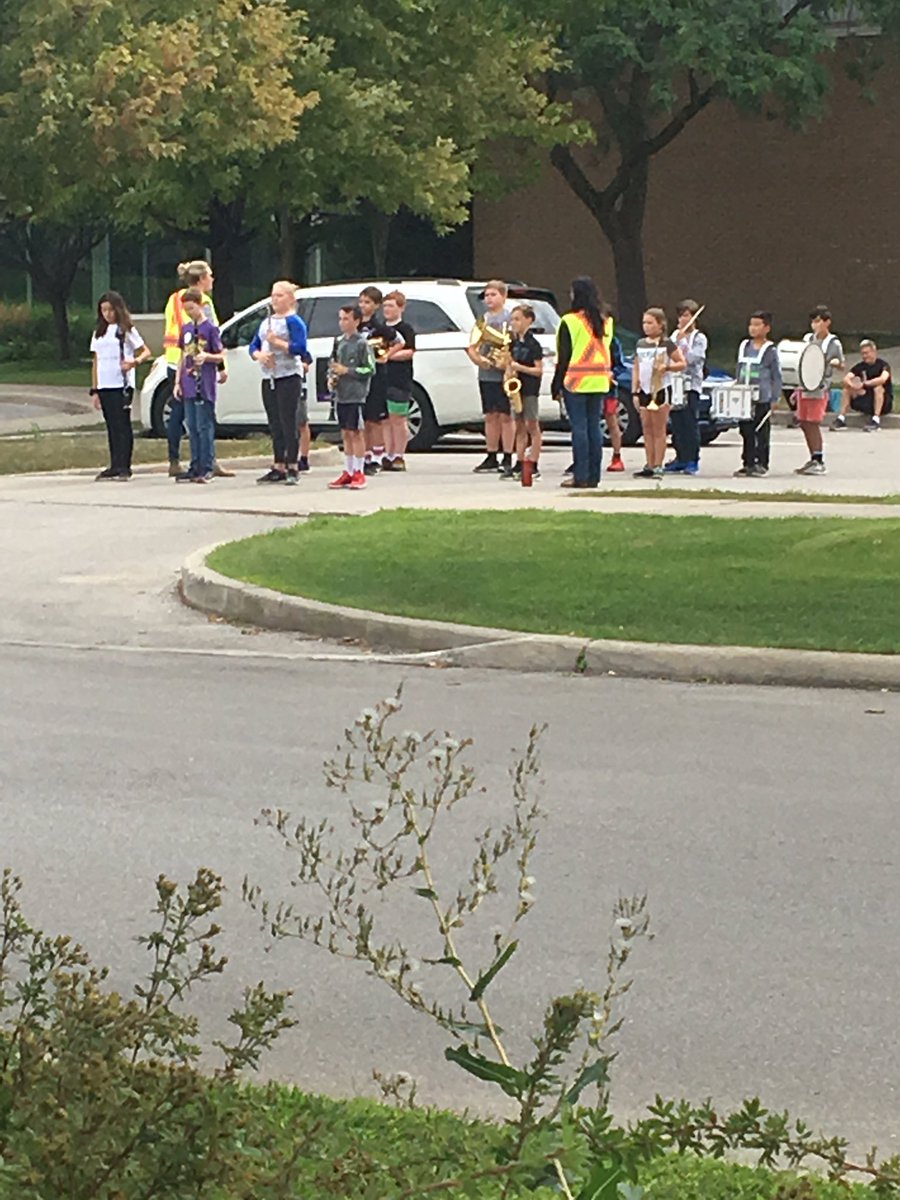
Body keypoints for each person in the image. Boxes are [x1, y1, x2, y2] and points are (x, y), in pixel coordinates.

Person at [162, 260, 232, 478]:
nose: (212, 279)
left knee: (181, 416)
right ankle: (204, 462)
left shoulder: (174, 298)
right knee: (198, 420)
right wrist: (222, 366)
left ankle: (181, 460)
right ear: (201, 279)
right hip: (190, 365)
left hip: (177, 362)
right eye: (210, 275)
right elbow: (212, 337)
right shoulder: (204, 302)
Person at [551, 276, 612, 489]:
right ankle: (594, 476)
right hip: (600, 380)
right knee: (594, 427)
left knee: (579, 429)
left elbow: (564, 356)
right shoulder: (606, 320)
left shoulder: (569, 321)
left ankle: (580, 475)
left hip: (576, 381)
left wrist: (556, 384)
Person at [249, 280, 310, 485]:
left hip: (288, 376)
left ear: (290, 299)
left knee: (288, 421)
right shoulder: (266, 322)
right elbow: (254, 345)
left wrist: (278, 343)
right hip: (269, 377)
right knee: (274, 422)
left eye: (280, 296)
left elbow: (300, 348)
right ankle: (278, 464)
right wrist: (259, 355)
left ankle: (293, 464)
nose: (275, 299)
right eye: (273, 295)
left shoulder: (293, 321)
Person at [89, 291, 151, 481]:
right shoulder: (99, 333)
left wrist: (135, 362)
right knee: (111, 426)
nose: (107, 314)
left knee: (122, 424)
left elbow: (145, 351)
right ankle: (114, 464)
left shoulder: (125, 330)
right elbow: (96, 360)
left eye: (110, 310)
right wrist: (95, 389)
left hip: (121, 384)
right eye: (103, 310)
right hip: (105, 384)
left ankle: (125, 465)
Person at [173, 289, 225, 484]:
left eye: (192, 308)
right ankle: (194, 466)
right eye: (186, 309)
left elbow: (220, 354)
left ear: (200, 305)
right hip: (188, 382)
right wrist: (177, 382)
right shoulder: (186, 329)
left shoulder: (210, 329)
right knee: (192, 426)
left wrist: (208, 358)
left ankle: (207, 466)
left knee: (205, 425)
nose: (189, 313)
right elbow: (181, 356)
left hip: (205, 382)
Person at [632, 308, 686, 479]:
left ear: (660, 324)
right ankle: (648, 463)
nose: (646, 327)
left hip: (661, 388)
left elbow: (682, 363)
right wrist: (635, 390)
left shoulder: (667, 344)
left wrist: (667, 367)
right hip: (644, 389)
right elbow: (637, 367)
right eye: (644, 323)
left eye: (650, 323)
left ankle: (658, 464)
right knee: (646, 428)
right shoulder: (641, 344)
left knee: (658, 429)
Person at [468, 279, 515, 475]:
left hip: (505, 374)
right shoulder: (483, 319)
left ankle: (508, 455)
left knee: (506, 416)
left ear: (503, 297)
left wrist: (508, 363)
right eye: (486, 295)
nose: (489, 299)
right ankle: (491, 454)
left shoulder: (510, 318)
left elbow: (516, 343)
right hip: (487, 374)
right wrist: (479, 360)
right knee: (490, 415)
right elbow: (471, 346)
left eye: (493, 295)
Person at [327, 305, 375, 490]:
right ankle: (347, 470)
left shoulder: (362, 344)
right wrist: (331, 378)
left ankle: (359, 471)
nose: (342, 323)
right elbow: (332, 363)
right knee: (345, 432)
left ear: (356, 321)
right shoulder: (338, 342)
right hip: (342, 394)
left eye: (346, 319)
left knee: (356, 432)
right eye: (340, 319)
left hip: (356, 394)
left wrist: (348, 371)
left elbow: (370, 368)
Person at [795, 305, 844, 475]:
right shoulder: (808, 339)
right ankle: (812, 456)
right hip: (804, 386)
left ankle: (819, 459)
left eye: (818, 321)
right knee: (803, 422)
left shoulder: (833, 342)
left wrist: (836, 363)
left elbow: (841, 364)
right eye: (813, 322)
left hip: (820, 387)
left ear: (827, 322)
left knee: (814, 423)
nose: (814, 325)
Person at [733, 310, 782, 478]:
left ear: (766, 328)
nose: (752, 328)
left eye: (757, 325)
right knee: (745, 430)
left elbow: (776, 375)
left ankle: (761, 462)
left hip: (762, 397)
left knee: (760, 430)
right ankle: (747, 462)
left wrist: (775, 397)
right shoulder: (744, 346)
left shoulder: (770, 350)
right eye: (751, 324)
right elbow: (739, 368)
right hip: (744, 396)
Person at [665, 299, 707, 476]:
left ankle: (692, 459)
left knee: (689, 423)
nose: (683, 320)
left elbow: (694, 359)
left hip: (691, 385)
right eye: (681, 316)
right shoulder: (674, 336)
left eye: (687, 316)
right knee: (677, 423)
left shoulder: (699, 338)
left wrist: (682, 346)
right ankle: (680, 457)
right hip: (674, 385)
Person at [380, 290, 416, 472]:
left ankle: (399, 455)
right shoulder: (380, 329)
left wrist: (389, 355)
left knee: (398, 418)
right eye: (385, 305)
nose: (387, 309)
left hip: (399, 379)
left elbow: (409, 351)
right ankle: (388, 453)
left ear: (401, 308)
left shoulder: (406, 329)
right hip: (382, 378)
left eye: (391, 306)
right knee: (385, 419)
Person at [358, 286, 391, 475]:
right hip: (360, 375)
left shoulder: (380, 327)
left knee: (375, 419)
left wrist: (386, 355)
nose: (363, 306)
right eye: (361, 301)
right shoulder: (356, 325)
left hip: (377, 374)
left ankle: (378, 456)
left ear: (376, 305)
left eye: (368, 302)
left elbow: (399, 341)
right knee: (362, 418)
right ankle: (365, 454)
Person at [508, 304, 543, 479]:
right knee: (519, 426)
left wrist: (519, 367)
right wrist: (508, 375)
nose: (514, 323)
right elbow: (510, 364)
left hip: (529, 388)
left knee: (532, 425)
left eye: (517, 319)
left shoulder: (533, 344)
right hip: (517, 388)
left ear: (528, 320)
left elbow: (538, 370)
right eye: (513, 319)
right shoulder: (513, 343)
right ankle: (520, 461)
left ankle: (534, 463)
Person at [833, 339, 892, 432]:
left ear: (874, 352)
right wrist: (853, 386)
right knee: (846, 389)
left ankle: (876, 420)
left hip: (883, 403)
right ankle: (841, 419)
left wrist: (864, 384)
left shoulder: (883, 365)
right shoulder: (860, 367)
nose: (864, 356)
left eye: (867, 353)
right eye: (862, 354)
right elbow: (846, 379)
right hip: (865, 400)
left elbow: (883, 379)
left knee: (878, 388)